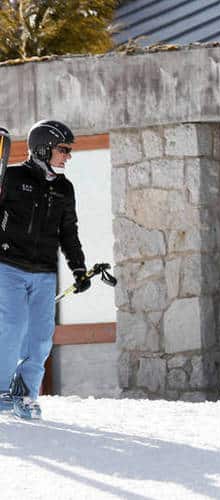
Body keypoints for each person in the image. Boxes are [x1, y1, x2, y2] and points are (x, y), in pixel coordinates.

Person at [0, 120, 90, 420]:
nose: (67, 156)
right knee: (12, 327)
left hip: (44, 271)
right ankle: (0, 389)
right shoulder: (10, 178)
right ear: (42, 148)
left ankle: (25, 393)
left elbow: (69, 232)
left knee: (40, 337)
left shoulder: (65, 188)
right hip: (8, 266)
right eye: (62, 149)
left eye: (68, 150)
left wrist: (78, 268)